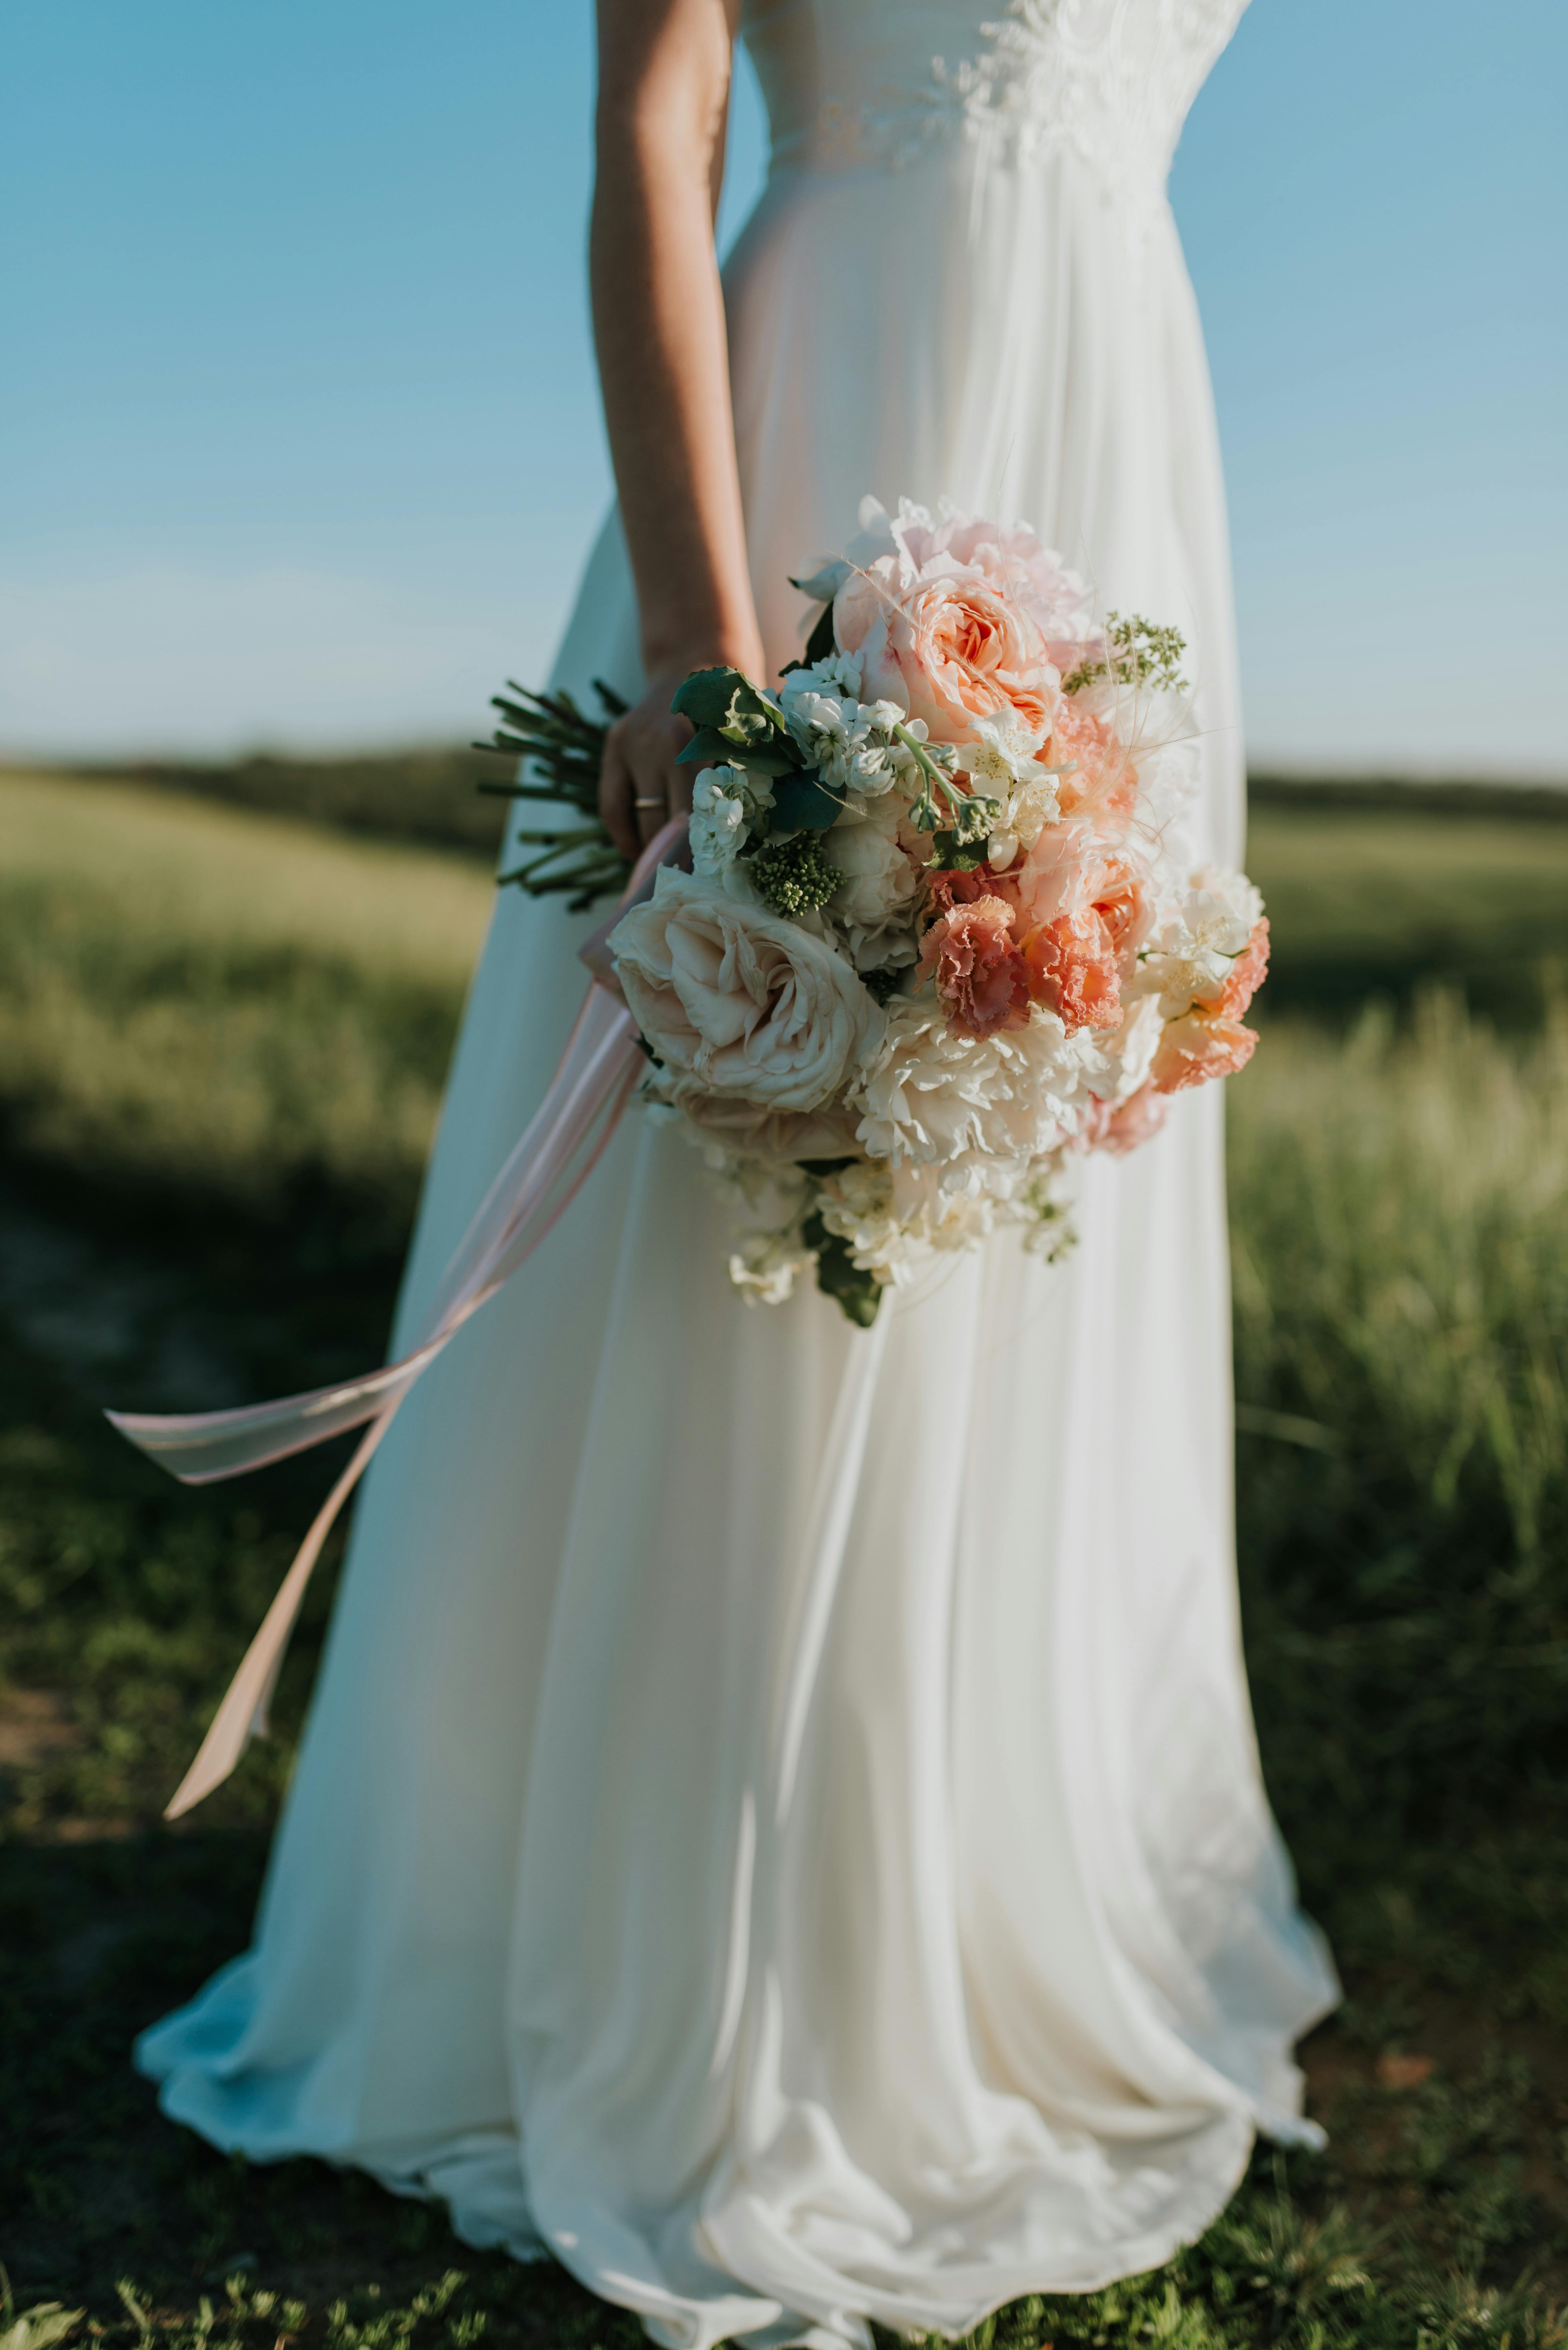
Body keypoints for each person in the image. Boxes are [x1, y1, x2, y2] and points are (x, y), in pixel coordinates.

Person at [138, 2, 1338, 2343]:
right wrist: (702, 643)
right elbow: (653, 109)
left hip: (1126, 467)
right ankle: (706, 1939)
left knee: (1041, 1134)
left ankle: (974, 1878)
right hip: (818, 457)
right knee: (746, 1189)